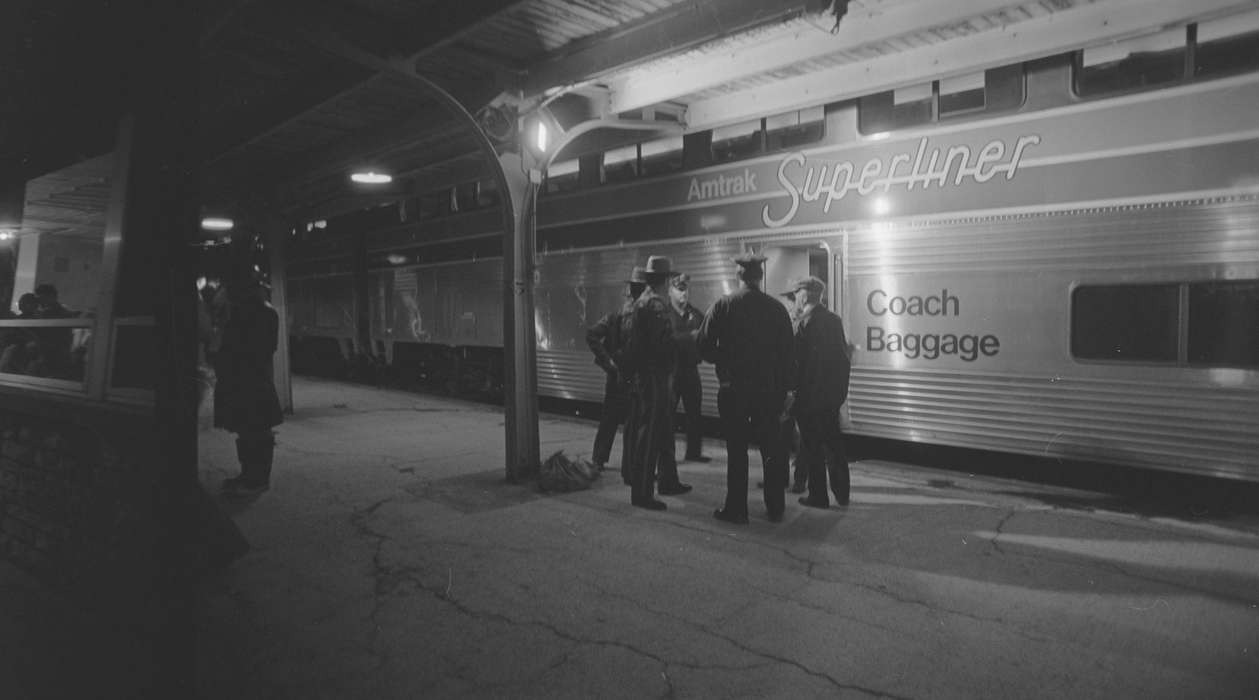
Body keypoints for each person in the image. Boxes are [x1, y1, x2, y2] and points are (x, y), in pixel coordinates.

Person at [696, 252, 794, 524]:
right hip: (769, 391)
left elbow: (702, 346)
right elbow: (789, 353)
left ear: (738, 275)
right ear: (760, 277)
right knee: (771, 449)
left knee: (736, 450)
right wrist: (787, 390)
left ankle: (737, 509)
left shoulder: (723, 305)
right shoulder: (777, 309)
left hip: (734, 389)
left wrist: (723, 360)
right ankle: (775, 507)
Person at [784, 276, 852, 508]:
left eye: (796, 296)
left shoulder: (803, 325)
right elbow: (844, 361)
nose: (795, 300)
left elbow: (795, 365)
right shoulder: (834, 321)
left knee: (812, 447)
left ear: (803, 296)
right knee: (834, 446)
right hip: (830, 399)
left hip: (810, 400)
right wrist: (838, 395)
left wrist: (792, 394)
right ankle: (842, 494)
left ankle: (818, 496)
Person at [215, 276, 284, 495]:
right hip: (249, 379)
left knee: (255, 431)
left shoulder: (258, 313)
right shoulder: (255, 312)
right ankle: (249, 476)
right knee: (247, 431)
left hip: (251, 380)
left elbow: (248, 348)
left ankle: (256, 480)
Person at [621, 256, 678, 510]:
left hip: (650, 375)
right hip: (654, 376)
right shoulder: (654, 305)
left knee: (660, 432)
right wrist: (688, 342)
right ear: (665, 280)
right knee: (650, 435)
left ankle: (666, 481)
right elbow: (662, 344)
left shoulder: (644, 302)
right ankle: (642, 493)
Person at [586, 266, 646, 480]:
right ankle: (629, 467)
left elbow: (591, 335)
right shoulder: (629, 317)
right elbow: (592, 335)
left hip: (618, 377)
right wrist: (609, 362)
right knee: (631, 423)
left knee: (611, 419)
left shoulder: (614, 317)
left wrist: (609, 363)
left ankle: (599, 460)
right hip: (630, 377)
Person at [666, 272, 710, 463]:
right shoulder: (665, 314)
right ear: (670, 290)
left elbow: (704, 336)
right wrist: (689, 337)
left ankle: (694, 452)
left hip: (691, 369)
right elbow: (667, 340)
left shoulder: (695, 314)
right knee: (668, 414)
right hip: (672, 370)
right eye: (680, 289)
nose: (684, 293)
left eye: (686, 290)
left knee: (694, 413)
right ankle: (666, 456)